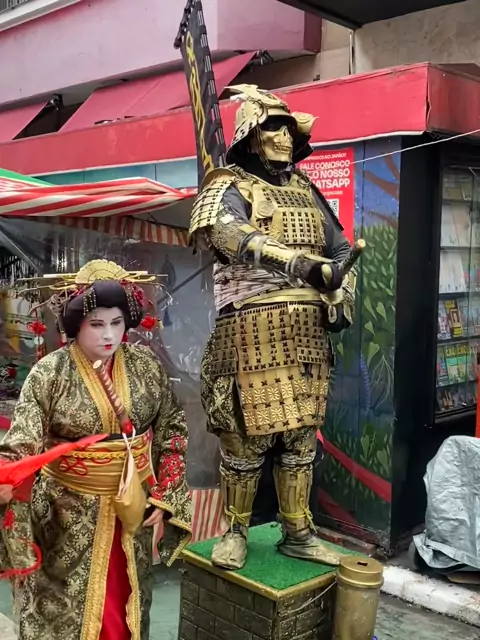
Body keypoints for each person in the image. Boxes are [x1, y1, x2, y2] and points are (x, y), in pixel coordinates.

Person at [190, 85, 357, 570]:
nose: (284, 137)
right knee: (242, 441)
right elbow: (229, 233)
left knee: (300, 440)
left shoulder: (305, 189)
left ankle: (298, 531)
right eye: (272, 128)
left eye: (288, 129)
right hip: (249, 330)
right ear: (250, 135)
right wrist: (299, 264)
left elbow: (341, 250)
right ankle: (235, 529)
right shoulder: (228, 185)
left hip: (306, 333)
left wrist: (338, 292)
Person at [0, 259, 192, 640]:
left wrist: (166, 491)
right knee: (66, 618)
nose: (109, 335)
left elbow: (173, 427)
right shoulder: (50, 373)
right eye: (97, 324)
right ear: (76, 325)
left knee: (126, 610)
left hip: (130, 511)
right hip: (64, 516)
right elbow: (23, 441)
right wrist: (8, 473)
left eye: (117, 323)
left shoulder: (146, 366)